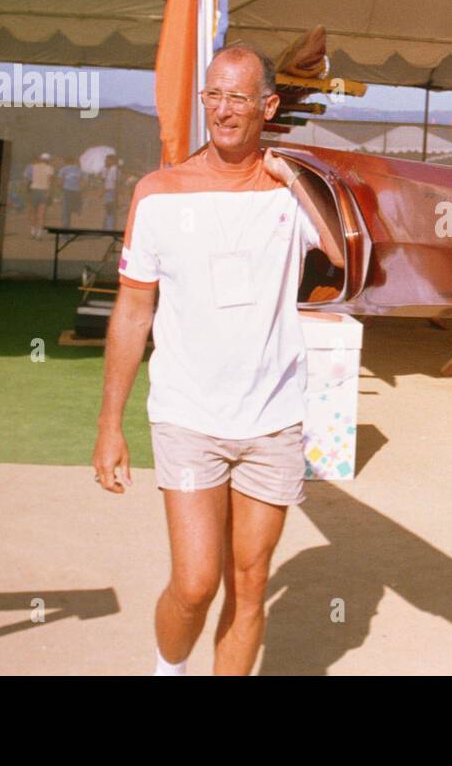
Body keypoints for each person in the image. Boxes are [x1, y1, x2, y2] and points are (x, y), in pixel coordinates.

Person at [92, 44, 345, 677]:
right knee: (197, 582)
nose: (223, 111)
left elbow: (344, 259)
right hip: (188, 414)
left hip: (273, 417)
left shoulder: (294, 191)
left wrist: (296, 181)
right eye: (213, 94)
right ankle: (168, 670)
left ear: (268, 106)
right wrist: (109, 425)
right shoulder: (157, 194)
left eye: (237, 97)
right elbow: (131, 313)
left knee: (250, 581)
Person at [27, 153, 55, 239]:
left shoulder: (33, 167)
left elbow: (29, 179)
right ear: (48, 160)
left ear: (40, 159)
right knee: (41, 214)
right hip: (44, 191)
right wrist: (49, 193)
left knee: (33, 212)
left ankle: (32, 231)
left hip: (34, 190)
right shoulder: (50, 168)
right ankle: (39, 233)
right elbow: (50, 181)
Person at [57, 158, 82, 229]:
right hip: (76, 191)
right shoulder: (78, 169)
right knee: (70, 209)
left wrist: (61, 189)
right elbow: (82, 181)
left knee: (66, 210)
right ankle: (77, 208)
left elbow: (60, 182)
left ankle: (65, 229)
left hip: (67, 191)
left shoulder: (63, 169)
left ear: (65, 162)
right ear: (73, 162)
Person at [102, 154, 120, 230]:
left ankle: (110, 228)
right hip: (108, 192)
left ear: (112, 161)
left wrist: (114, 195)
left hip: (111, 192)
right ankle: (107, 227)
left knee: (110, 210)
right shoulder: (108, 169)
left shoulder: (114, 170)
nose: (105, 161)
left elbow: (116, 183)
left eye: (107, 160)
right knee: (108, 210)